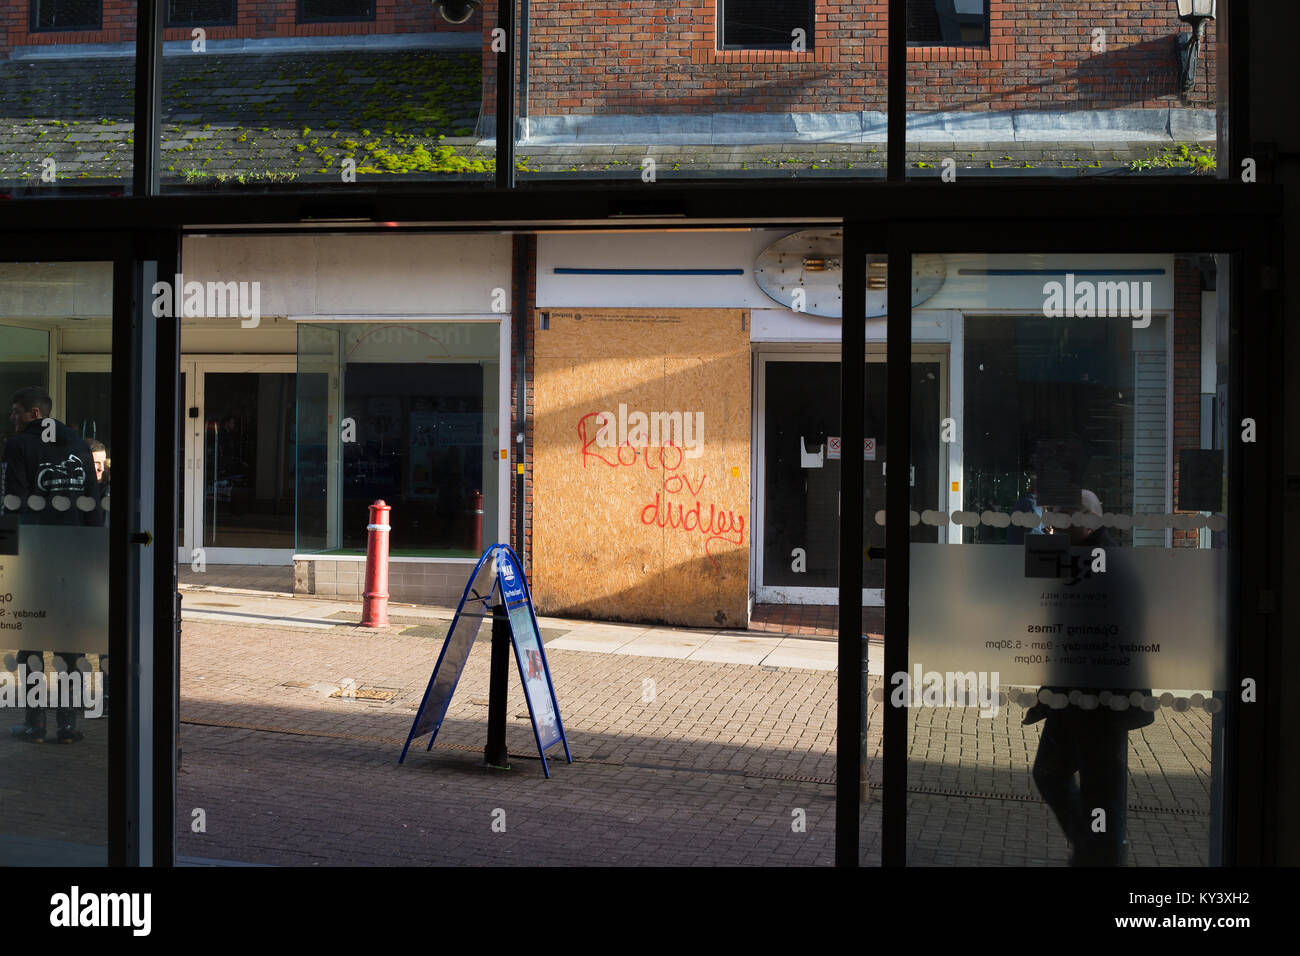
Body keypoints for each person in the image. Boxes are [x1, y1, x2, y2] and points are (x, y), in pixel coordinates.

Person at [1024, 488, 1154, 866]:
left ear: (1085, 521)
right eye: (1052, 515)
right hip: (1077, 693)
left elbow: (1098, 628)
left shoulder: (1104, 561)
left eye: (1062, 515)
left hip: (1100, 697)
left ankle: (1101, 854)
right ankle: (1094, 850)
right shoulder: (1079, 554)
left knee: (1098, 787)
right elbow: (1040, 600)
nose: (1053, 523)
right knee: (1054, 773)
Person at [2, 386, 100, 744]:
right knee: (69, 644)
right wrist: (93, 552)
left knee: (30, 643)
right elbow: (93, 498)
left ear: (33, 414)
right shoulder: (76, 443)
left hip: (36, 556)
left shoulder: (18, 446)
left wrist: (7, 558)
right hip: (73, 554)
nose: (11, 417)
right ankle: (69, 726)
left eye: (15, 411)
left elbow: (12, 501)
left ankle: (36, 724)